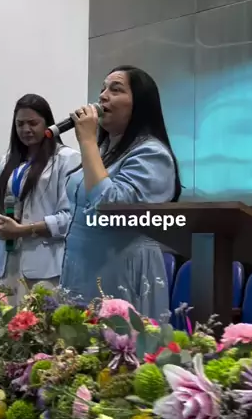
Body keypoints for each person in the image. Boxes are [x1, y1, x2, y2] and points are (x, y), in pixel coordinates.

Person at [61, 65, 182, 319]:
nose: (103, 96)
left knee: (117, 341)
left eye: (115, 90)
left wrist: (87, 141)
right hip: (83, 270)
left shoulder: (152, 154)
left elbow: (111, 207)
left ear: (140, 105)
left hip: (120, 271)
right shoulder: (104, 151)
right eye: (103, 89)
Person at [0, 94, 79, 306]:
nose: (26, 129)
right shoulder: (7, 160)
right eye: (20, 124)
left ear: (47, 124)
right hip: (5, 264)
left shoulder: (66, 158)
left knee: (38, 324)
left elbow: (70, 217)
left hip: (45, 268)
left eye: (33, 123)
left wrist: (23, 230)